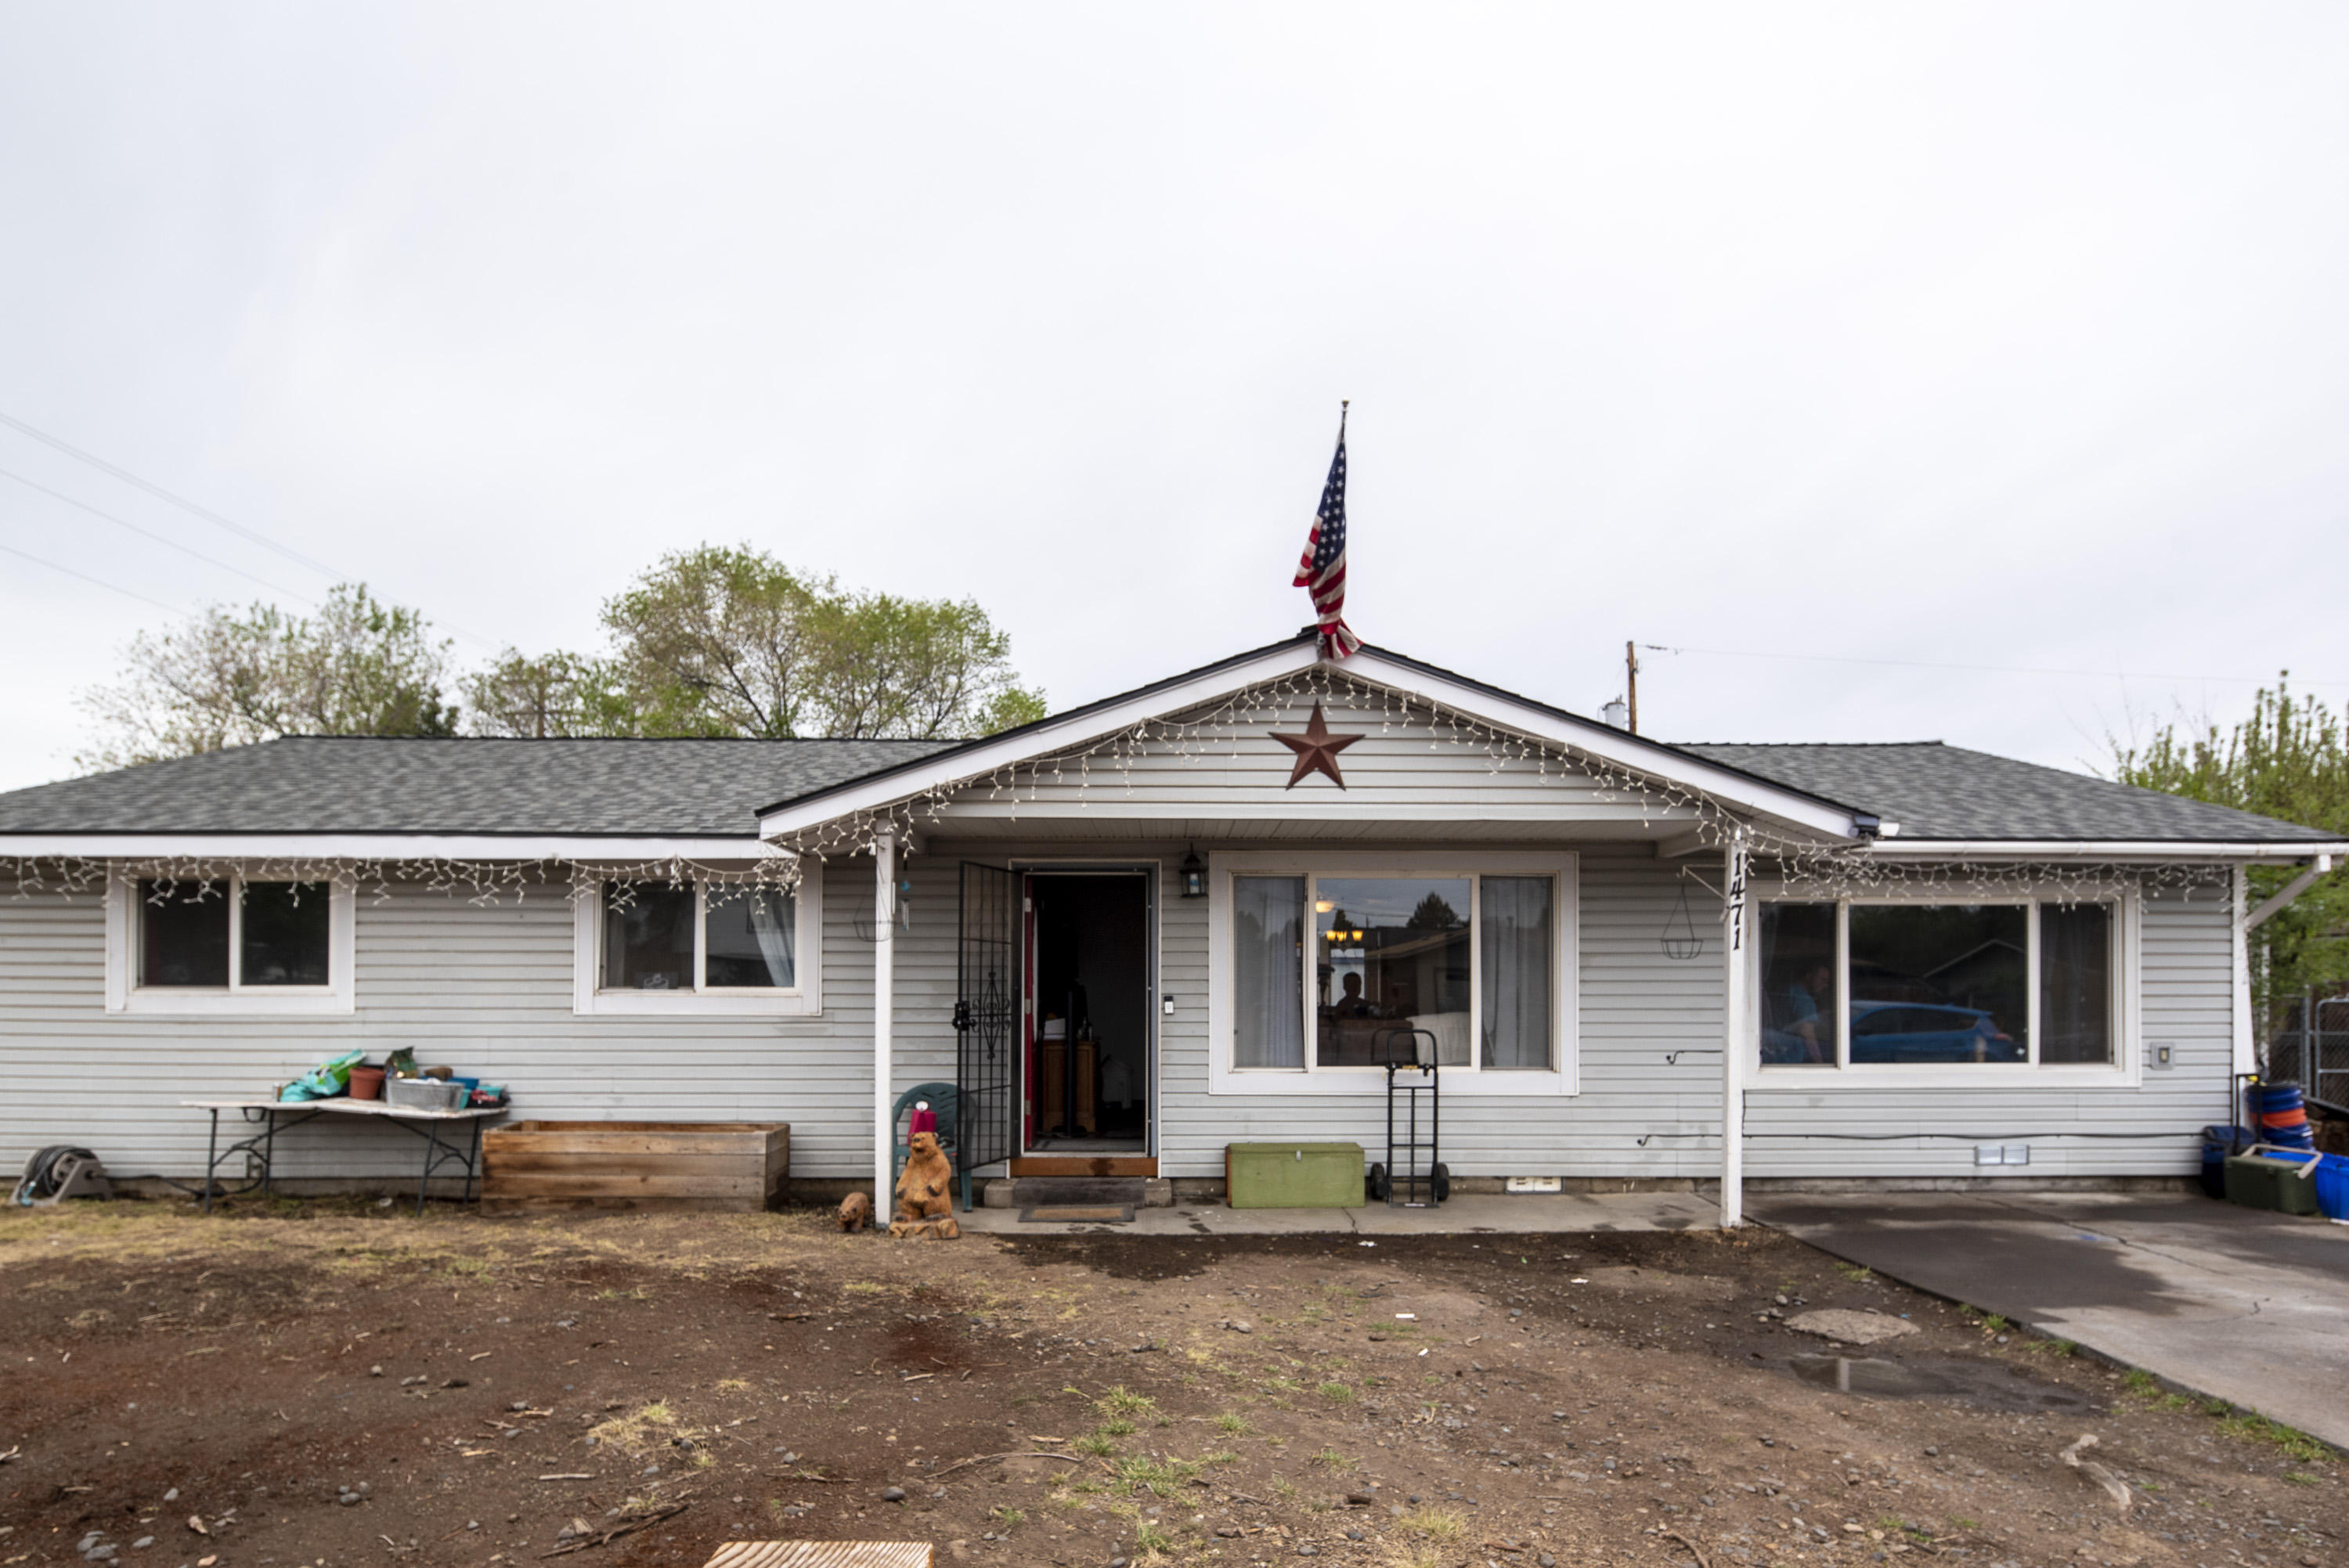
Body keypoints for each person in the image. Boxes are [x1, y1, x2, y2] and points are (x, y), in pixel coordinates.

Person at [1777, 962, 1835, 1063]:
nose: (1825, 985)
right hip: (1791, 1058)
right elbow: (1808, 1034)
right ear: (1809, 977)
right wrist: (1820, 1063)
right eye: (1823, 980)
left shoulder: (1787, 991)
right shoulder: (1804, 999)